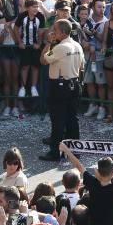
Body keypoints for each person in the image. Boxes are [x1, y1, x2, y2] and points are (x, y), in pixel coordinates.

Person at [39, 19, 85, 161]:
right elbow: (81, 66)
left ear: (63, 32)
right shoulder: (77, 45)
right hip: (74, 83)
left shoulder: (60, 47)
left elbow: (43, 60)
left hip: (59, 85)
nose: (53, 32)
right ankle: (74, 150)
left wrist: (48, 43)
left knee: (57, 119)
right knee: (72, 119)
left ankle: (55, 152)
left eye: (55, 30)